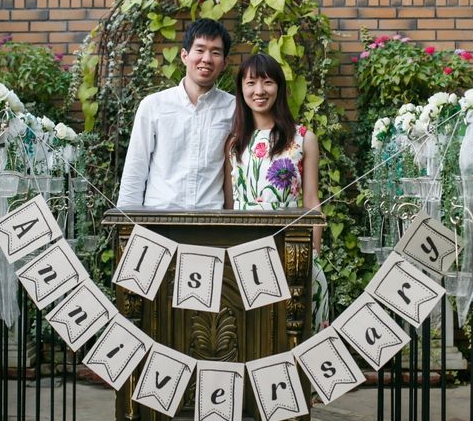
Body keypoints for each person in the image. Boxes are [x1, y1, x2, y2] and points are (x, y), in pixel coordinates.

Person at [223, 53, 329, 331]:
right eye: (251, 83)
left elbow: (311, 201)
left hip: (293, 252)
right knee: (255, 336)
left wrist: (313, 253)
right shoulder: (234, 143)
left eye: (267, 82)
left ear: (279, 87)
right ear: (241, 89)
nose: (259, 91)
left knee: (299, 333)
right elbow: (230, 206)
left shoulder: (303, 138)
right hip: (246, 258)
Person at [117, 19, 235, 209]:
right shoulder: (154, 106)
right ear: (184, 56)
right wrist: (127, 221)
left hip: (211, 221)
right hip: (159, 219)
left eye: (215, 52)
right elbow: (135, 170)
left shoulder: (234, 109)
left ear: (224, 63)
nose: (206, 59)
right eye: (200, 50)